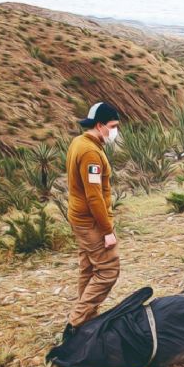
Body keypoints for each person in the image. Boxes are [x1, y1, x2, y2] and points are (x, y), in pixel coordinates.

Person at [64, 101, 121, 333]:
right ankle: (76, 323)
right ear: (99, 125)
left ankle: (86, 320)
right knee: (108, 270)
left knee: (88, 268)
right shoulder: (89, 152)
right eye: (113, 126)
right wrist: (107, 231)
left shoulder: (80, 142)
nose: (115, 131)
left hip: (80, 217)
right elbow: (94, 197)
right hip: (90, 221)